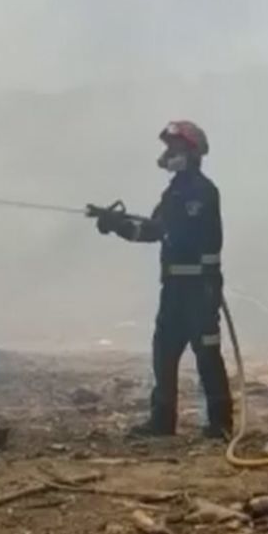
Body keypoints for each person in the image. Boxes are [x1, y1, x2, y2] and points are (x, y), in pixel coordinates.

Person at [94, 121, 233, 439]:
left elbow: (171, 231)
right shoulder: (173, 193)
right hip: (174, 289)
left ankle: (220, 423)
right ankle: (162, 421)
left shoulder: (202, 191)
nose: (169, 153)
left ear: (192, 152)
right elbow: (152, 231)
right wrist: (117, 225)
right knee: (164, 352)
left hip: (200, 289)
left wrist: (138, 225)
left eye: (175, 147)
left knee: (207, 353)